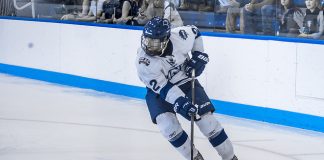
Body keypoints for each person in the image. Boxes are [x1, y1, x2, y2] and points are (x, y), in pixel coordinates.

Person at [136, 17, 238, 160]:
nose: (149, 46)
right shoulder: (143, 62)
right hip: (159, 91)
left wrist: (198, 54)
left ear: (166, 39)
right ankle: (194, 157)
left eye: (155, 42)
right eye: (147, 40)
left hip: (186, 82)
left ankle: (230, 157)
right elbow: (164, 88)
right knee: (167, 126)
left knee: (208, 123)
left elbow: (195, 33)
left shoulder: (180, 36)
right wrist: (180, 101)